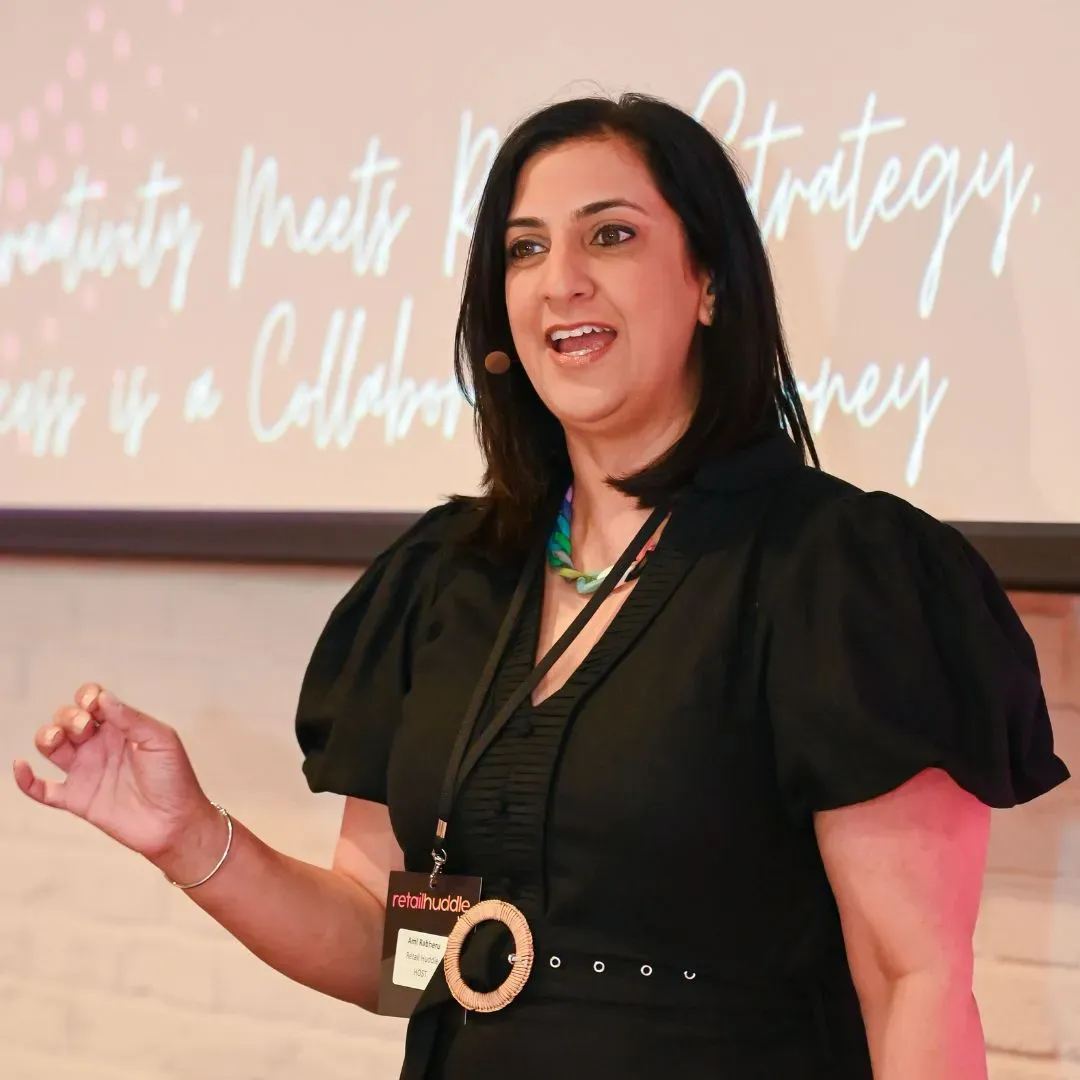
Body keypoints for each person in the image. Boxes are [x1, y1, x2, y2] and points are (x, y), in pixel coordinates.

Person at [13, 93, 1070, 1080]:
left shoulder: (840, 575)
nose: (561, 278)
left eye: (610, 235)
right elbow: (396, 953)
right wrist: (194, 838)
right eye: (525, 249)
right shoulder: (449, 579)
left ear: (709, 283)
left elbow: (913, 982)